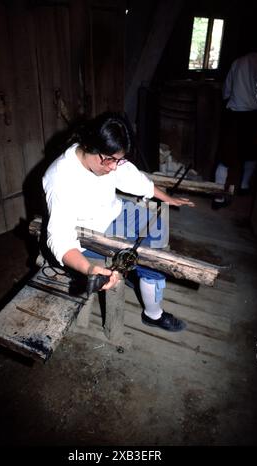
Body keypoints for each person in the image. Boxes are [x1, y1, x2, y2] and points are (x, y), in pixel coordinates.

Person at [42, 112, 194, 332]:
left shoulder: (106, 156)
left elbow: (135, 179)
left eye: (119, 159)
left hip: (114, 211)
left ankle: (142, 275)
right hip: (87, 234)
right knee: (155, 259)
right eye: (109, 160)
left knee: (157, 227)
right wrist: (90, 269)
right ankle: (153, 313)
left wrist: (168, 198)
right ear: (88, 146)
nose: (114, 167)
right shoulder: (60, 178)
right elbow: (61, 239)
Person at [212, 52, 257, 209]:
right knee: (252, 153)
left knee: (225, 157)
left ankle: (218, 198)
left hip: (236, 113)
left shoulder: (238, 62)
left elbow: (226, 91)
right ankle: (244, 186)